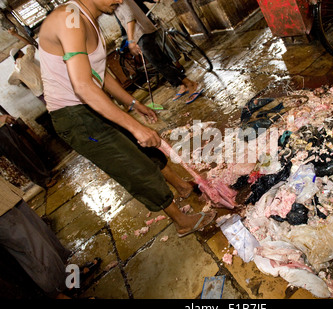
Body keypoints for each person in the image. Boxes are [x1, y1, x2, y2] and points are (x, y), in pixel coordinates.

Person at [38, 0, 216, 237]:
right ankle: (181, 220)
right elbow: (82, 86)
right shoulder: (70, 18)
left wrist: (132, 103)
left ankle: (182, 186)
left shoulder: (90, 18)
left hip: (92, 103)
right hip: (76, 117)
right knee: (133, 164)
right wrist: (135, 127)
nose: (121, 0)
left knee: (146, 149)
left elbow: (99, 73)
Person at [114, 0, 204, 104]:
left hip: (141, 34)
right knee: (162, 61)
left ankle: (190, 84)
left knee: (160, 64)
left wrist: (130, 40)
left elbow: (129, 17)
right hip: (144, 31)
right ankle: (182, 85)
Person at [0, 113, 55, 188]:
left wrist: (3, 117)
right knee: (19, 156)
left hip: (3, 127)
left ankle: (44, 173)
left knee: (25, 151)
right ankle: (43, 180)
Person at [7, 27, 46, 105]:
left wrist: (22, 82)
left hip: (38, 93)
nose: (23, 53)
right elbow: (29, 45)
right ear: (18, 54)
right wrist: (15, 34)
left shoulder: (15, 71)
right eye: (21, 52)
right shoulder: (26, 59)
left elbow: (10, 81)